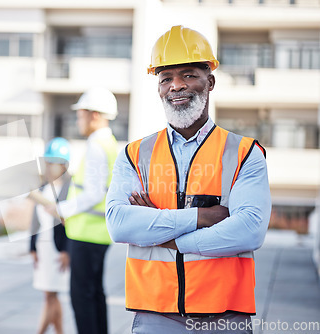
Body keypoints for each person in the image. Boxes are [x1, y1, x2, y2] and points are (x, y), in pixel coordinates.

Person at [106, 25, 272, 333]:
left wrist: (163, 232)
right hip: (155, 313)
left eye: (188, 75)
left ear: (210, 82)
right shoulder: (134, 154)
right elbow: (119, 224)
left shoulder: (245, 153)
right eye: (166, 78)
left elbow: (249, 230)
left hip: (225, 315)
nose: (176, 86)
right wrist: (203, 217)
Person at [46, 87, 118, 334]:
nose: (78, 119)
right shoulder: (109, 144)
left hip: (86, 235)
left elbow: (94, 193)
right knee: (95, 295)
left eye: (81, 114)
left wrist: (62, 209)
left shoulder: (97, 145)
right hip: (97, 235)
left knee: (82, 300)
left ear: (95, 115)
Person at [29, 137, 72, 334]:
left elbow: (70, 222)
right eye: (47, 162)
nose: (48, 167)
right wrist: (32, 247)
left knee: (51, 296)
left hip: (58, 249)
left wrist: (67, 251)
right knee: (50, 296)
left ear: (63, 165)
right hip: (44, 248)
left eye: (52, 163)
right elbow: (35, 220)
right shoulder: (43, 187)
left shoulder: (69, 188)